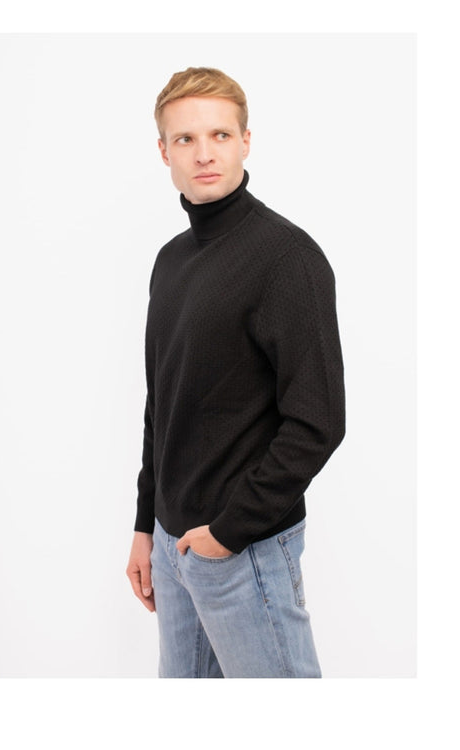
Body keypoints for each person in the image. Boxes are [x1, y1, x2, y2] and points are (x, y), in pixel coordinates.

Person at [126, 66, 346, 678]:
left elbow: (319, 422)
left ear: (246, 142)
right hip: (172, 546)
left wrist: (228, 533)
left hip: (242, 549)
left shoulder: (287, 258)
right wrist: (146, 526)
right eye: (186, 139)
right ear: (164, 151)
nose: (204, 153)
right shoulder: (171, 261)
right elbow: (162, 404)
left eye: (220, 135)